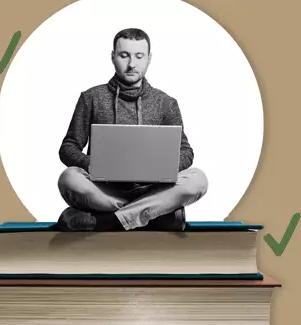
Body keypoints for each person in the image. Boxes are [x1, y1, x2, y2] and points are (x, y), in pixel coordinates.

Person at [56, 28, 208, 232]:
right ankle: (155, 216)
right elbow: (68, 147)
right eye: (124, 55)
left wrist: (162, 169)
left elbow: (186, 152)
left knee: (198, 180)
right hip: (105, 190)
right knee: (69, 178)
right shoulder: (91, 97)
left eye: (139, 56)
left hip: (153, 190)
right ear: (113, 57)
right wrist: (92, 164)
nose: (132, 64)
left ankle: (109, 221)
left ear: (149, 59)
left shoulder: (166, 103)